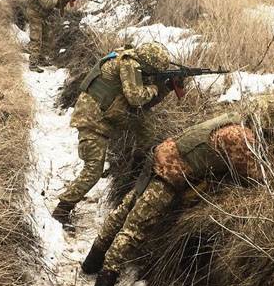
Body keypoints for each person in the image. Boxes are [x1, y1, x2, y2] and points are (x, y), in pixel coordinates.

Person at [81, 94, 274, 286]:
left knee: (122, 213)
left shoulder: (232, 119)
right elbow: (261, 177)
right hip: (169, 173)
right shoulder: (240, 136)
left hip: (160, 158)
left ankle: (92, 261)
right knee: (135, 228)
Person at [51, 43, 178, 231]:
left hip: (99, 117)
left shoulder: (125, 56)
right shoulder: (129, 64)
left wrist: (166, 88)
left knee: (146, 130)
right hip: (92, 121)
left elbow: (141, 108)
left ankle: (134, 170)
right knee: (93, 170)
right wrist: (155, 88)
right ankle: (61, 210)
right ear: (149, 63)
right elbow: (136, 98)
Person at [27, 0, 64, 73]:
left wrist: (63, 0)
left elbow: (55, 5)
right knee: (36, 39)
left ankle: (42, 59)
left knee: (47, 37)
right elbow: (47, 4)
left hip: (42, 16)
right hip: (35, 15)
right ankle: (33, 64)